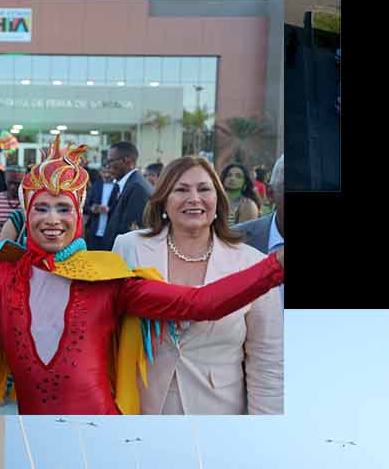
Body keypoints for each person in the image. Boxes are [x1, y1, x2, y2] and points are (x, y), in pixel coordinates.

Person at [0, 148, 283, 415]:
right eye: (42, 209)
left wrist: (274, 267)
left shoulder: (110, 279)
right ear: (24, 215)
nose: (52, 221)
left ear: (80, 215)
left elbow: (199, 304)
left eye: (63, 209)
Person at [116, 154, 284, 413]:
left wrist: (263, 431)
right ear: (163, 200)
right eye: (181, 190)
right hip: (141, 412)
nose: (194, 198)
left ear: (218, 200)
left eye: (204, 189)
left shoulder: (253, 264)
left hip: (218, 417)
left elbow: (268, 364)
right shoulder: (129, 247)